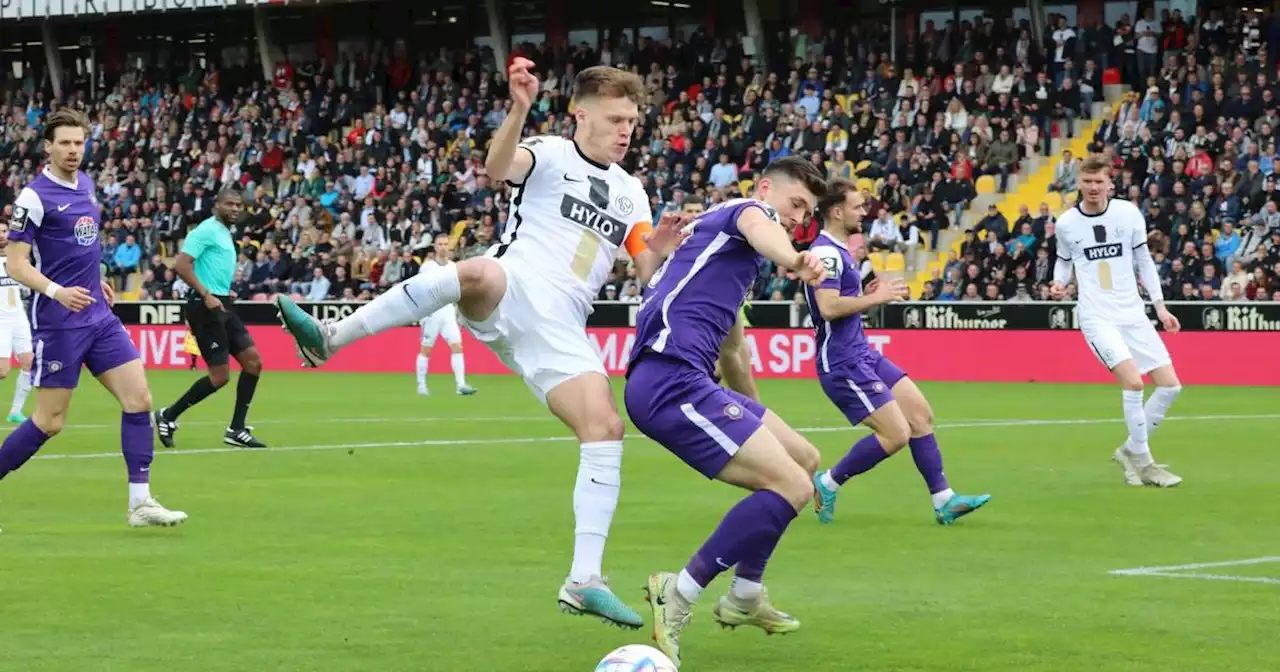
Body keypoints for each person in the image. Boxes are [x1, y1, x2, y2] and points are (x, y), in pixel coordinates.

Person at [275, 60, 683, 628]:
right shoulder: (547, 152)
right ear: (580, 114)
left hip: (563, 326)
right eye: (615, 119)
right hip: (514, 285)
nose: (626, 131)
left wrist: (659, 248)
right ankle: (333, 337)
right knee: (476, 273)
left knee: (606, 428)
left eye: (633, 122)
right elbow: (496, 168)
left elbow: (645, 273)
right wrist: (518, 107)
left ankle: (583, 580)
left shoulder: (631, 194)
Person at [627, 158, 827, 667]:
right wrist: (797, 258)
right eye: (795, 203)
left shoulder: (724, 262)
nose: (798, 217)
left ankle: (745, 595)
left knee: (802, 460)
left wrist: (755, 421)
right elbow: (762, 227)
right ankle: (678, 591)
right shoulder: (745, 212)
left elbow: (734, 353)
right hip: (669, 381)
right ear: (765, 189)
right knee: (794, 487)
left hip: (691, 379)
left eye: (807, 212)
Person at [0, 108, 187, 529]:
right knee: (50, 421)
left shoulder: (86, 184)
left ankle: (140, 503)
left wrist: (97, 278)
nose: (72, 150)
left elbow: (82, 245)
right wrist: (57, 291)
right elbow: (15, 263)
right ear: (47, 146)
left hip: (98, 316)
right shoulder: (33, 197)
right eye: (64, 142)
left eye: (78, 143)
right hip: (59, 321)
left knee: (139, 399)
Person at [807, 179, 992, 525]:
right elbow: (828, 308)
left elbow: (842, 306)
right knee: (895, 434)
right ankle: (828, 481)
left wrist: (866, 294)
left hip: (862, 353)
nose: (864, 211)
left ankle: (944, 500)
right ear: (836, 211)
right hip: (843, 362)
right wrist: (874, 298)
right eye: (857, 206)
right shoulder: (826, 255)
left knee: (920, 414)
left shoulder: (840, 252)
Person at [1051, 155, 1183, 487]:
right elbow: (1064, 261)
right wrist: (1058, 282)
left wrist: (1160, 307)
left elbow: (1144, 261)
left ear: (1110, 183)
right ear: (1078, 183)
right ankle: (1147, 463)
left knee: (1170, 386)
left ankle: (1129, 450)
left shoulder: (1127, 213)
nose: (1093, 188)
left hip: (1133, 312)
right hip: (1097, 316)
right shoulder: (1067, 223)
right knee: (1135, 383)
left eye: (1099, 182)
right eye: (1087, 182)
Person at [154, 188, 266, 449]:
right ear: (217, 205)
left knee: (253, 363)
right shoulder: (205, 230)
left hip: (221, 303)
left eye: (239, 205)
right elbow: (181, 264)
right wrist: (206, 294)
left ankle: (237, 429)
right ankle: (168, 415)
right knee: (220, 377)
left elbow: (212, 268)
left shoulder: (226, 233)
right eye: (230, 204)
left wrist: (223, 290)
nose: (235, 209)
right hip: (204, 306)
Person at [683, 200, 760, 403]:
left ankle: (754, 416)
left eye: (697, 210)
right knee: (721, 364)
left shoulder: (717, 242)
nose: (693, 213)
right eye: (689, 210)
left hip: (725, 313)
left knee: (732, 360)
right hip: (687, 316)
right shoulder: (675, 244)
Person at [415, 234, 477, 396]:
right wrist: (422, 313)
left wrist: (459, 313)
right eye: (440, 244)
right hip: (432, 313)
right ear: (435, 247)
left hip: (448, 312)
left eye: (445, 244)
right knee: (426, 349)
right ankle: (421, 385)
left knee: (457, 347)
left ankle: (461, 385)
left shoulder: (453, 267)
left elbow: (457, 292)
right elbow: (419, 290)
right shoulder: (427, 267)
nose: (443, 247)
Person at [0, 223, 35, 423]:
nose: (2, 235)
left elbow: (27, 287)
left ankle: (15, 411)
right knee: (3, 372)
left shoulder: (17, 261)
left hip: (19, 317)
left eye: (4, 231)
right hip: (1, 321)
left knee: (29, 362)